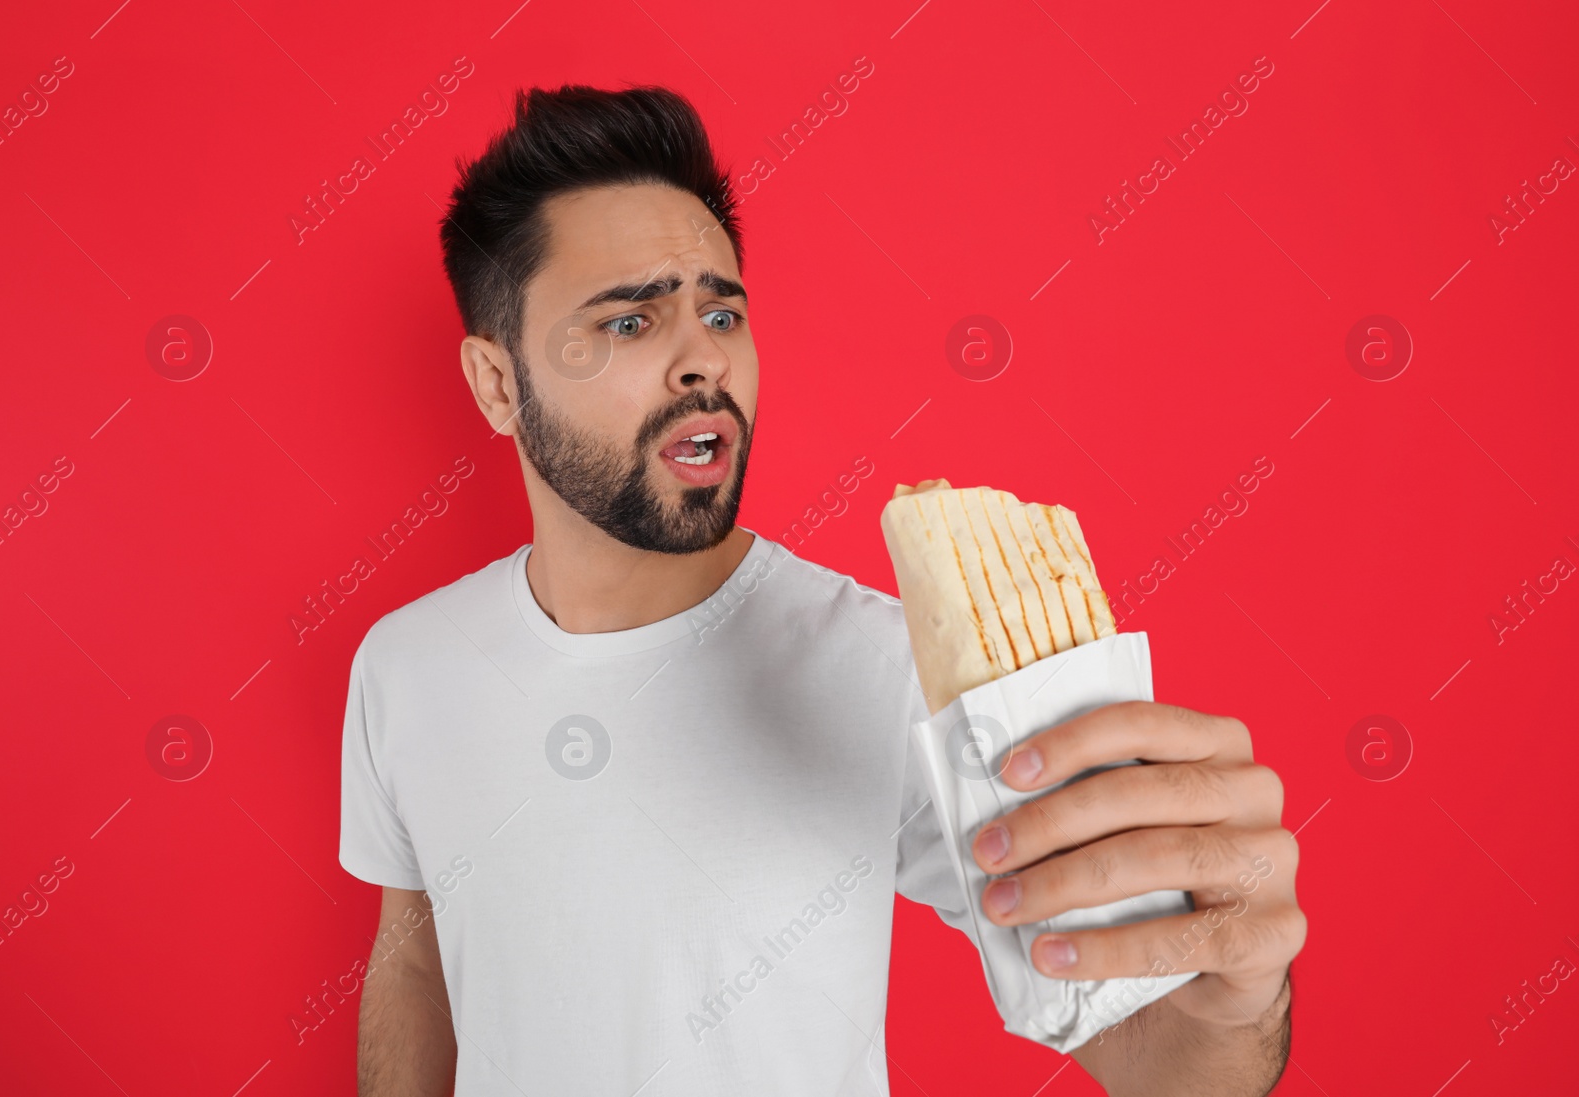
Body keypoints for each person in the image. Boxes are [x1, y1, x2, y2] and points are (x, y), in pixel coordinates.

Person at [338, 83, 1305, 1096]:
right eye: (629, 322)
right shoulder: (405, 667)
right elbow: (411, 958)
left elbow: (1158, 1058)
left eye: (721, 310)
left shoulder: (888, 669)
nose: (702, 356)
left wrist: (1241, 992)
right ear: (496, 384)